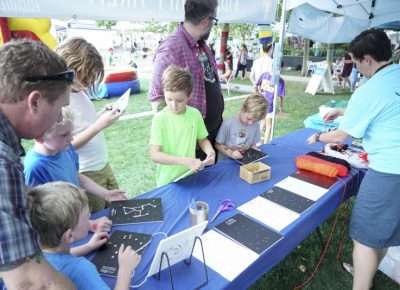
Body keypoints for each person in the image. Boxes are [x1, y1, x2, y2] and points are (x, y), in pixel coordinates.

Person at [306, 29, 400, 290]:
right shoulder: (395, 75)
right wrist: (342, 110)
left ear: (367, 59)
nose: (356, 67)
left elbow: (343, 134)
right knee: (384, 231)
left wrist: (318, 136)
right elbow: (385, 108)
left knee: (364, 237)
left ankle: (362, 285)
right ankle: (366, 273)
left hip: (390, 171)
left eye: (356, 62)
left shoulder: (370, 89)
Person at [0, 39, 75, 289]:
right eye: (61, 107)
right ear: (35, 102)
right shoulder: (2, 161)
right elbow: (29, 282)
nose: (60, 116)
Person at [28, 181, 141, 290]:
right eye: (87, 217)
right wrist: (125, 270)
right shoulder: (81, 269)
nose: (91, 217)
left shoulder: (32, 255)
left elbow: (56, 257)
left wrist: (89, 246)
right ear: (70, 236)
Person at [148, 0, 223, 160]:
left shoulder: (201, 44)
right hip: (191, 144)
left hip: (210, 133)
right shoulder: (171, 48)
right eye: (213, 21)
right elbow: (157, 99)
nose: (212, 25)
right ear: (205, 21)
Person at [57, 37, 123, 213]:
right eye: (86, 77)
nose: (88, 83)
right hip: (87, 172)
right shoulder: (62, 101)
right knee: (96, 219)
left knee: (119, 208)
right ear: (71, 68)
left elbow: (84, 122)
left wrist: (102, 114)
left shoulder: (79, 92)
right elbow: (67, 145)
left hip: (102, 165)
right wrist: (99, 125)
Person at [24, 107, 127, 209]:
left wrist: (106, 194)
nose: (71, 138)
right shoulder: (34, 167)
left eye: (71, 132)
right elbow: (39, 210)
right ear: (40, 137)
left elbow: (76, 175)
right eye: (64, 135)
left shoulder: (67, 149)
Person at [150, 66, 215, 187]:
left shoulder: (195, 114)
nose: (173, 105)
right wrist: (187, 161)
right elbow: (155, 155)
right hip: (167, 181)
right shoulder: (159, 119)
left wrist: (210, 151)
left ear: (189, 96)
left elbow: (202, 139)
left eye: (179, 100)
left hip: (189, 176)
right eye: (169, 99)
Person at [215, 94, 267, 161]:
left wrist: (255, 151)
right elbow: (217, 145)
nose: (250, 123)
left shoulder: (255, 125)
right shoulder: (228, 124)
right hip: (226, 163)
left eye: (255, 121)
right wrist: (230, 153)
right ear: (242, 110)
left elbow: (253, 145)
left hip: (243, 163)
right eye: (248, 119)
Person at [255, 62, 286, 144]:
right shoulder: (280, 80)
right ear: (281, 69)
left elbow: (255, 85)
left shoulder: (265, 74)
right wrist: (280, 108)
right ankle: (265, 144)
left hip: (261, 103)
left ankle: (256, 142)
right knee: (269, 126)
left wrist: (257, 95)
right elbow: (280, 96)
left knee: (262, 123)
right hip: (269, 106)